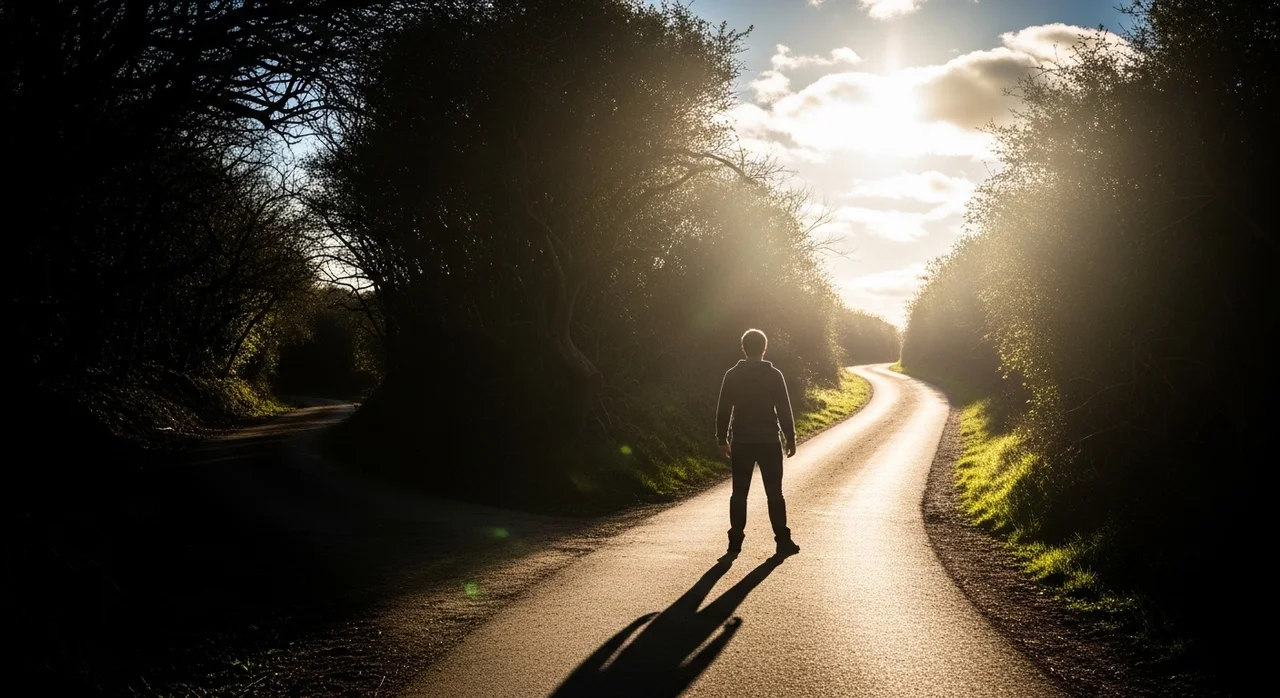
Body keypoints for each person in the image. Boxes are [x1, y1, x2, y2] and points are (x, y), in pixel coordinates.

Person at [715, 328, 801, 557]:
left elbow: (723, 410)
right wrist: (790, 437)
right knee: (774, 493)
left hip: (742, 441)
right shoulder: (774, 375)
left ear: (743, 347)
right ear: (764, 348)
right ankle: (783, 541)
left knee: (739, 493)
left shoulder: (732, 375)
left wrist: (722, 439)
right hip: (769, 441)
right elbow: (784, 408)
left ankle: (735, 541)